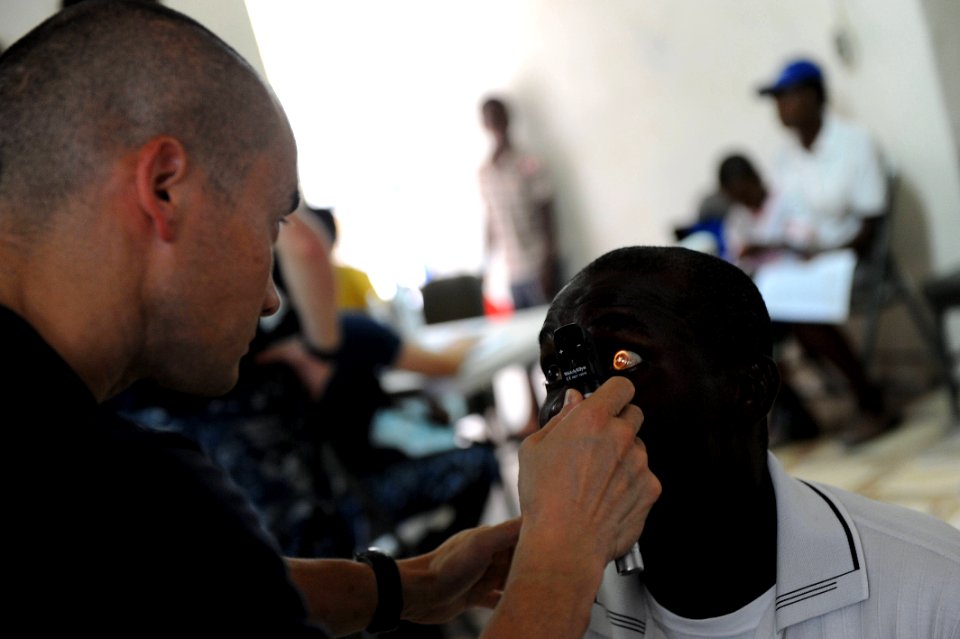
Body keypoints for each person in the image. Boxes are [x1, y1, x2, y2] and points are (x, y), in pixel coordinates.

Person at [1, 3, 661, 636]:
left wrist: (409, 583)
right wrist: (563, 555)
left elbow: (196, 590)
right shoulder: (119, 490)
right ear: (165, 187)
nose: (271, 299)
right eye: (270, 226)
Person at [537, 245, 960, 638]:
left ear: (749, 389)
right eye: (557, 376)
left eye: (623, 361)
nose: (573, 410)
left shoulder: (931, 593)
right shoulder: (554, 610)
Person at [719, 152, 895, 445]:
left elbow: (806, 242)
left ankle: (869, 398)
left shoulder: (787, 198)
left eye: (746, 191)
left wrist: (765, 245)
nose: (745, 201)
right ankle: (796, 415)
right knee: (744, 336)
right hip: (771, 294)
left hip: (806, 279)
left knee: (807, 319)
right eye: (737, 197)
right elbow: (738, 263)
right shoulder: (737, 220)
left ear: (756, 178)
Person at [478, 95, 560, 310]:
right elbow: (491, 220)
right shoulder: (485, 173)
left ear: (507, 118)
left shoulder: (529, 162)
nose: (495, 122)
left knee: (554, 330)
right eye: (489, 118)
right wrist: (485, 268)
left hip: (538, 266)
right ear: (484, 124)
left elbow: (548, 214)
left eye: (499, 116)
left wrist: (548, 264)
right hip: (513, 273)